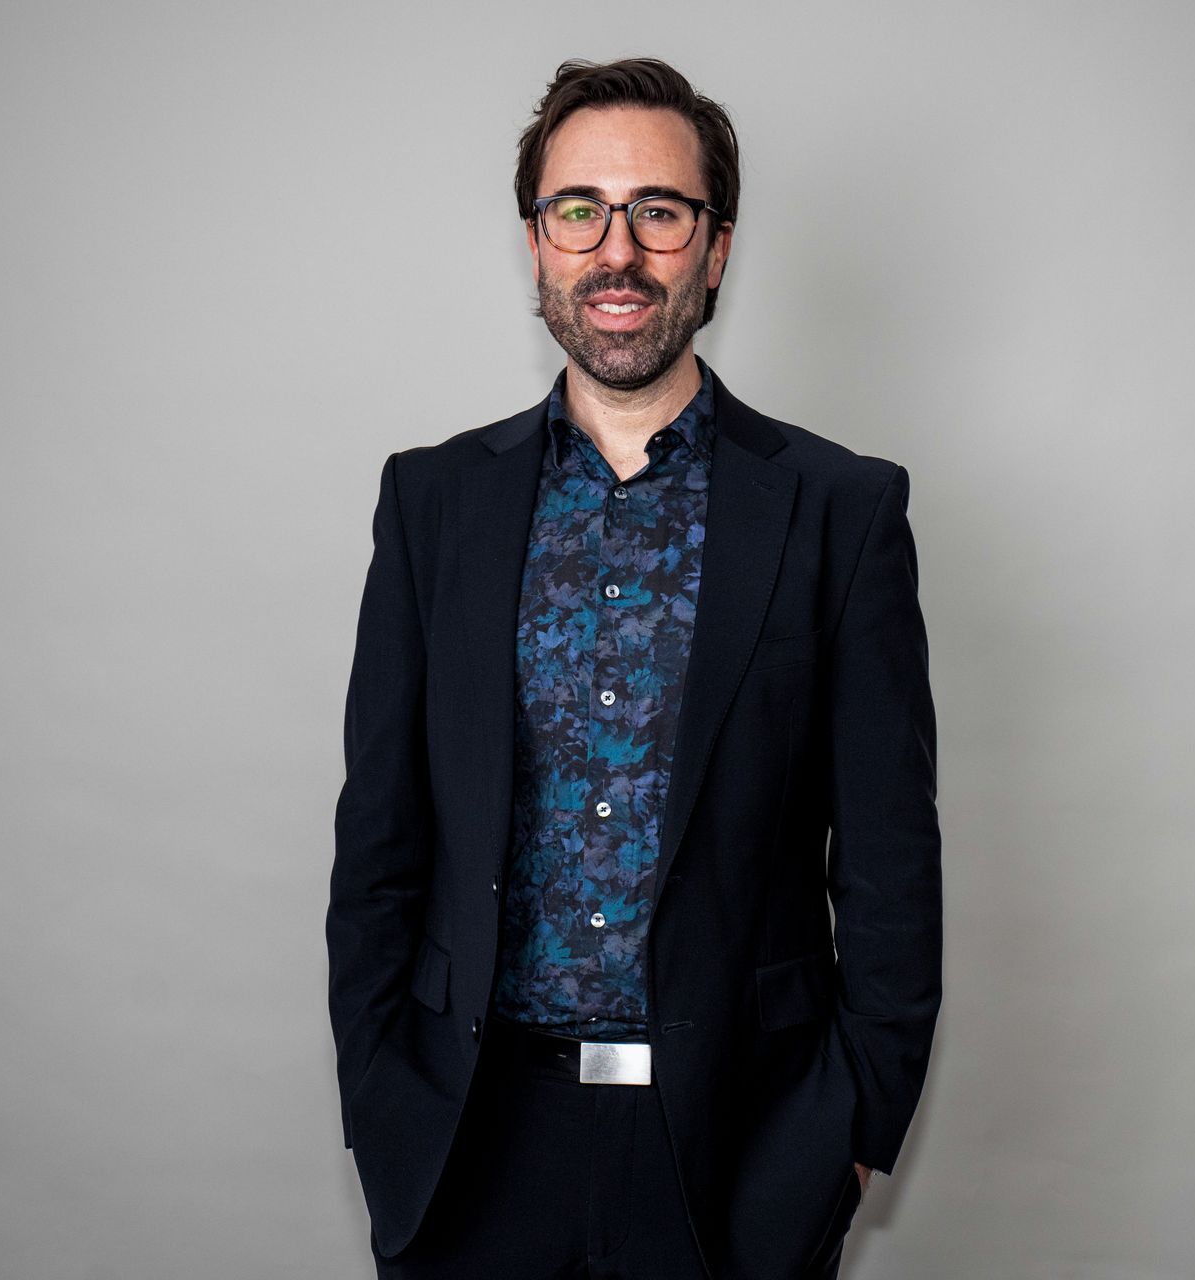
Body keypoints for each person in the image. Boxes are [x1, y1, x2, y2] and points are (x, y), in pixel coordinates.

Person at [327, 57, 941, 1280]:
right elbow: (379, 846)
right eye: (580, 210)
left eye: (659, 211)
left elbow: (889, 865)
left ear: (715, 249)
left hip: (740, 1153)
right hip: (467, 1148)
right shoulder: (434, 504)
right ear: (536, 243)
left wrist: (849, 1136)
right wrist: (381, 1097)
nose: (619, 250)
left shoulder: (841, 512)